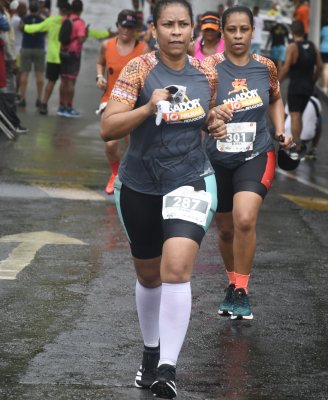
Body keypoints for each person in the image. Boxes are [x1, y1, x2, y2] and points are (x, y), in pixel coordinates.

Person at [100, 0, 226, 398]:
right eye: (167, 25)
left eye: (182, 25)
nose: (176, 32)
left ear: (193, 31)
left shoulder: (208, 71)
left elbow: (204, 115)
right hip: (138, 184)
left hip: (190, 179)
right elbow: (108, 128)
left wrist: (215, 121)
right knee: (149, 275)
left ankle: (167, 370)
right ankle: (151, 354)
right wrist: (149, 106)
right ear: (154, 30)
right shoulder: (138, 69)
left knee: (177, 267)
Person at [203, 6, 292, 320]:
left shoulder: (265, 66)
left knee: (244, 219)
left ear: (253, 31)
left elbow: (277, 97)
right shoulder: (209, 68)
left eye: (244, 30)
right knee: (225, 230)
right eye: (232, 30)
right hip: (217, 159)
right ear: (223, 32)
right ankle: (231, 282)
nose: (238, 36)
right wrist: (211, 117)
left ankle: (242, 290)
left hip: (256, 154)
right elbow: (198, 110)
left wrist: (281, 130)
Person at [96, 9, 149, 195]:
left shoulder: (142, 49)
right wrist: (99, 76)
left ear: (135, 29)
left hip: (135, 102)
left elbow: (149, 73)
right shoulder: (106, 45)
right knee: (110, 143)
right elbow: (100, 62)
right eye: (123, 26)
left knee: (133, 143)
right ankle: (115, 173)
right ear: (117, 26)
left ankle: (130, 177)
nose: (126, 30)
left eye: (130, 27)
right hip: (110, 99)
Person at [278, 20, 322, 160]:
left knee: (295, 115)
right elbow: (320, 66)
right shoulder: (313, 47)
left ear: (292, 32)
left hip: (295, 86)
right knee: (299, 115)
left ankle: (296, 148)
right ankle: (299, 145)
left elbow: (286, 67)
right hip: (308, 86)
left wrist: (276, 83)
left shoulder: (293, 47)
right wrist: (313, 80)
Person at [57, 0, 86, 118]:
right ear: (81, 10)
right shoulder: (80, 22)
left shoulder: (65, 19)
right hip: (73, 55)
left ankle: (61, 106)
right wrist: (86, 35)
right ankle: (69, 107)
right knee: (71, 82)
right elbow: (80, 39)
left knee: (63, 80)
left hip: (63, 52)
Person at [18, 0, 45, 108]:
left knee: (24, 73)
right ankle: (39, 98)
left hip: (26, 47)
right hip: (39, 48)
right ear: (38, 9)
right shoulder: (42, 20)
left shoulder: (24, 19)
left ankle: (23, 97)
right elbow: (45, 32)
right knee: (39, 74)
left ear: (29, 9)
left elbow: (20, 29)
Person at [284, 94, 322, 159]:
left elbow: (284, 117)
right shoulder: (316, 101)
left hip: (290, 136)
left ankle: (286, 147)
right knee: (319, 119)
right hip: (307, 136)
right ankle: (313, 149)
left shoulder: (292, 97)